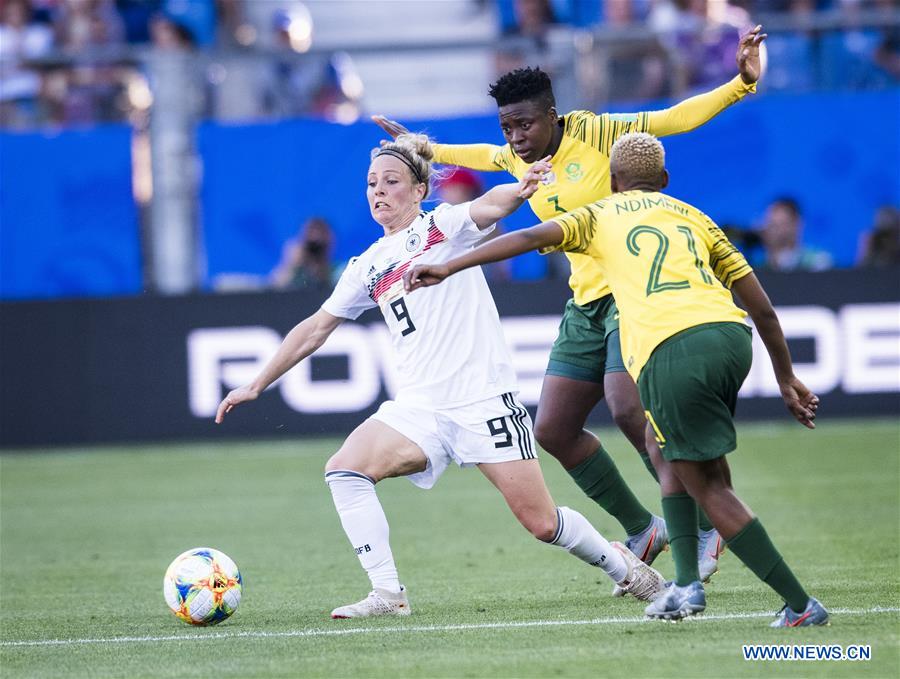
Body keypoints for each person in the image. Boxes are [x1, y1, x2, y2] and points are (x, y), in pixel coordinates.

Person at [374, 24, 768, 585]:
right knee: (554, 429)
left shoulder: (598, 131)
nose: (516, 137)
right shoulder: (517, 159)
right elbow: (481, 155)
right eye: (508, 126)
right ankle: (644, 528)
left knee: (629, 409)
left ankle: (702, 525)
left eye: (526, 124)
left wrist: (740, 85)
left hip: (632, 297)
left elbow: (673, 118)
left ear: (554, 115)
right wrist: (425, 147)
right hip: (585, 304)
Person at [215, 133, 665, 618]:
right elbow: (316, 328)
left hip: (483, 403)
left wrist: (521, 188)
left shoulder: (442, 228)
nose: (379, 191)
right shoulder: (366, 267)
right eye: (371, 183)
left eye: (391, 181)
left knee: (541, 522)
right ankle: (388, 594)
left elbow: (490, 205)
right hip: (419, 410)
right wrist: (258, 383)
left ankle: (625, 567)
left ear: (419, 191)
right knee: (344, 470)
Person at [403, 132, 829, 628]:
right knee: (661, 445)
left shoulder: (599, 214)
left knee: (707, 484)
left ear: (611, 180)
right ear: (664, 181)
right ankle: (686, 585)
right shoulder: (694, 216)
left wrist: (449, 265)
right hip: (732, 338)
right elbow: (762, 308)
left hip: (673, 346)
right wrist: (787, 378)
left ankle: (799, 605)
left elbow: (524, 238)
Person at [759, 197, 833, 272]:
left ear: (797, 224)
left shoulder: (817, 261)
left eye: (780, 225)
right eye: (771, 225)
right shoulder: (757, 263)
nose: (773, 231)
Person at [270, 217, 341, 290]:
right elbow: (274, 289)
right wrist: (288, 264)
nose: (316, 240)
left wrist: (322, 270)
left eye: (321, 235)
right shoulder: (295, 274)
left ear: (331, 242)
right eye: (311, 235)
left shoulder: (338, 271)